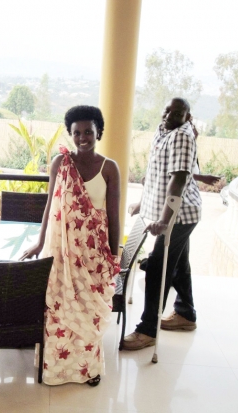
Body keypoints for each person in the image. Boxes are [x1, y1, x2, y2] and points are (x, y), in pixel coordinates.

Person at [20, 105, 121, 386]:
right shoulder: (59, 164)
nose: (83, 137)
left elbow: (113, 216)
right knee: (59, 308)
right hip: (60, 253)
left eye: (88, 131)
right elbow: (49, 207)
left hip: (93, 255)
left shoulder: (109, 168)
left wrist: (115, 257)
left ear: (98, 131)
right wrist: (40, 242)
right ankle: (56, 370)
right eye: (76, 132)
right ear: (70, 134)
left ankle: (87, 369)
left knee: (88, 311)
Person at [122, 97, 201, 351]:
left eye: (178, 113)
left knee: (158, 267)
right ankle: (185, 313)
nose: (169, 115)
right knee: (179, 264)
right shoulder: (163, 130)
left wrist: (164, 221)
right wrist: (143, 203)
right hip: (168, 212)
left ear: (187, 117)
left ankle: (148, 330)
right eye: (167, 109)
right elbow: (155, 173)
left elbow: (176, 180)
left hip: (179, 215)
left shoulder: (182, 136)